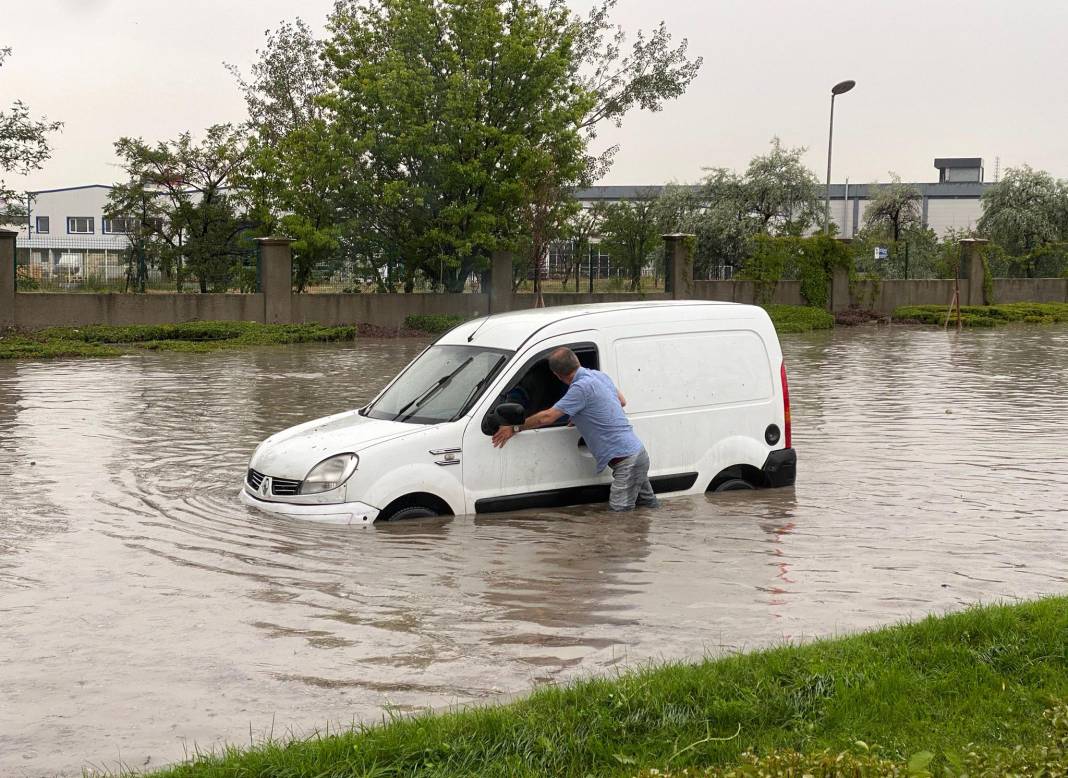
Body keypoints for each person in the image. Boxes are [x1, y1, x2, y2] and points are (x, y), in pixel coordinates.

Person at [491, 347, 658, 512]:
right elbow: (621, 401)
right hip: (636, 454)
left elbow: (547, 417)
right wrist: (582, 414)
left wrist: (515, 427)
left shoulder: (581, 388)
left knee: (619, 517)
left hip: (627, 461)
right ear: (576, 361)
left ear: (556, 375)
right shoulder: (599, 376)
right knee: (648, 507)